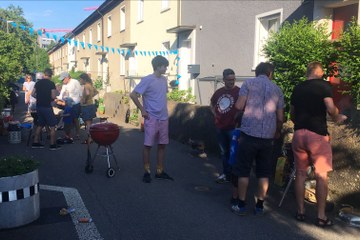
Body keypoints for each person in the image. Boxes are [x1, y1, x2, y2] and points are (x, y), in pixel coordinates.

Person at [290, 62, 347, 227]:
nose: (324, 73)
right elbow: (330, 108)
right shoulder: (323, 85)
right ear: (317, 71)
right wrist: (337, 117)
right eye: (322, 71)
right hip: (317, 135)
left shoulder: (298, 88)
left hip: (299, 134)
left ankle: (300, 212)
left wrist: (300, 124)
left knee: (300, 174)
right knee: (321, 175)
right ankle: (321, 216)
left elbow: (292, 113)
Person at [232, 62, 284, 215]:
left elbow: (239, 106)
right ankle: (260, 206)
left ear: (257, 72)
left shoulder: (248, 83)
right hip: (267, 138)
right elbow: (280, 117)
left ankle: (241, 204)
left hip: (248, 134)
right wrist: (277, 131)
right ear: (270, 73)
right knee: (264, 172)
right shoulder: (277, 89)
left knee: (243, 170)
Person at [130, 55, 174, 183]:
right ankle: (147, 171)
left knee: (162, 145)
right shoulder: (147, 80)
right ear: (158, 66)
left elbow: (161, 95)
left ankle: (160, 171)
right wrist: (142, 109)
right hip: (152, 117)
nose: (166, 68)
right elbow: (133, 94)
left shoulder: (164, 80)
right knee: (148, 145)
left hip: (163, 118)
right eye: (164, 66)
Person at [210, 68, 240, 184]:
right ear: (223, 80)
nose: (232, 82)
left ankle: (234, 175)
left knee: (234, 152)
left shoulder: (239, 92)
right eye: (229, 80)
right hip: (220, 127)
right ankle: (226, 174)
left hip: (233, 127)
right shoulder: (218, 92)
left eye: (233, 79)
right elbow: (212, 104)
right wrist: (215, 115)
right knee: (223, 152)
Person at [31, 68, 61, 150]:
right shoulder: (51, 83)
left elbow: (33, 94)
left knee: (40, 124)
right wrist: (49, 98)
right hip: (47, 106)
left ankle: (35, 142)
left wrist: (40, 97)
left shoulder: (38, 82)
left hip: (39, 106)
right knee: (52, 126)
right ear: (51, 75)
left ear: (44, 74)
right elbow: (53, 96)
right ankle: (52, 144)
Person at [55, 72, 82, 140]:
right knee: (68, 120)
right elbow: (61, 95)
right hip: (68, 103)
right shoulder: (64, 85)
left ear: (67, 78)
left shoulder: (75, 82)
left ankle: (78, 133)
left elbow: (80, 93)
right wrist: (56, 98)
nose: (62, 81)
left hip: (76, 103)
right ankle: (68, 135)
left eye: (63, 79)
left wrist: (81, 103)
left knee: (75, 119)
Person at [79, 72, 97, 144]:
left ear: (84, 79)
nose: (80, 81)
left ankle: (90, 138)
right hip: (91, 105)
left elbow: (87, 93)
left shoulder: (86, 86)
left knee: (88, 124)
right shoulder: (91, 85)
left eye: (80, 79)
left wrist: (84, 100)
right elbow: (96, 92)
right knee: (90, 123)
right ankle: (91, 138)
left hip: (86, 106)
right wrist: (90, 97)